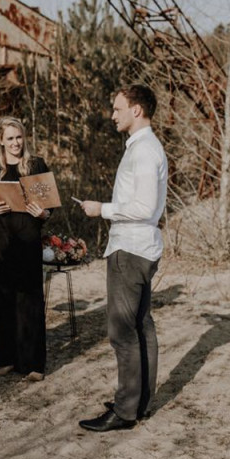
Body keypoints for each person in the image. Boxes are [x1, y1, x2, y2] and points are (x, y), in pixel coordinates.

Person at [78, 84, 168, 432]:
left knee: (122, 332)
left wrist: (103, 209)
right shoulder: (146, 148)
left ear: (137, 110)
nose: (112, 115)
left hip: (130, 250)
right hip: (140, 247)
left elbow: (144, 207)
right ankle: (138, 401)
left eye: (117, 109)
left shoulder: (144, 151)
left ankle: (125, 410)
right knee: (142, 326)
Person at [0, 117, 51, 382]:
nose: (15, 143)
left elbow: (49, 206)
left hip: (28, 238)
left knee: (29, 299)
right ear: (0, 141)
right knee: (2, 297)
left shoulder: (36, 165)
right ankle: (5, 358)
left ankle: (32, 363)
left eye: (18, 137)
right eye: (10, 138)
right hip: (0, 240)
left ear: (24, 138)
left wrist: (42, 213)